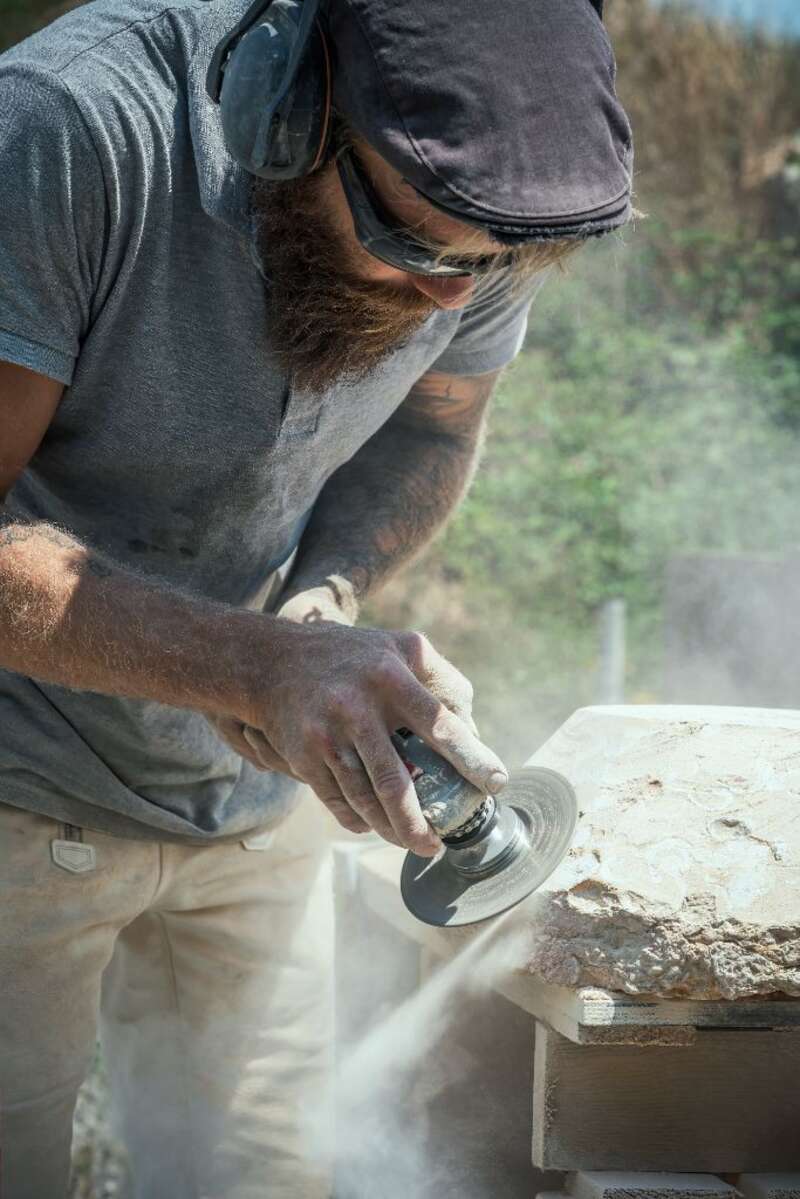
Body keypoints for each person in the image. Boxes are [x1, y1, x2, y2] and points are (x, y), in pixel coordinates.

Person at [0, 0, 633, 1194]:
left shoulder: (478, 212)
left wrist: (315, 609)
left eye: (491, 262)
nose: (453, 301)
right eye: (419, 246)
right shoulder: (69, 132)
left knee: (259, 1172)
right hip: (17, 782)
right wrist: (247, 667)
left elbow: (433, 434)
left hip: (248, 792)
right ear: (288, 108)